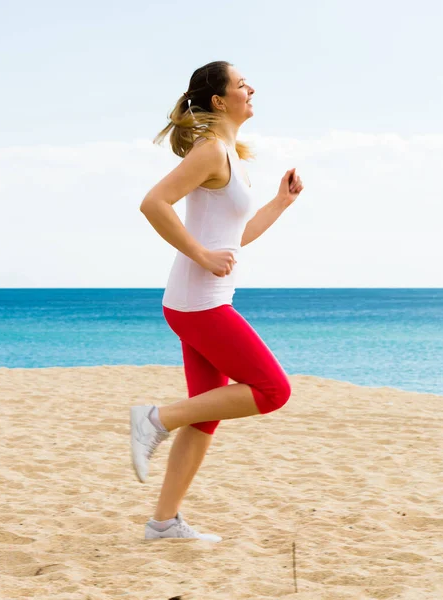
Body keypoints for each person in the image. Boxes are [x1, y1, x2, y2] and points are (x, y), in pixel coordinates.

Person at [131, 60, 304, 542]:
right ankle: (155, 418)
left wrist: (280, 203)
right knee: (273, 391)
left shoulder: (231, 156)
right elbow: (153, 203)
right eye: (241, 83)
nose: (251, 88)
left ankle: (163, 522)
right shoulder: (210, 152)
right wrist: (200, 254)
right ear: (219, 101)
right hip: (199, 303)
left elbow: (236, 236)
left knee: (205, 414)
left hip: (201, 298)